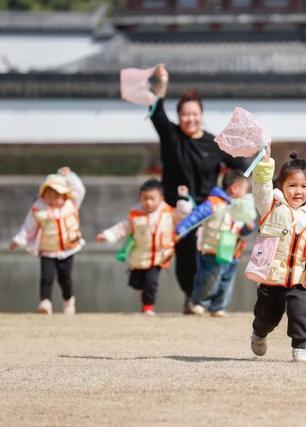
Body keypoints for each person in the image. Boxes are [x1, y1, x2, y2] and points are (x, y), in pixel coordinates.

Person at [150, 64, 246, 312]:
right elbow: (156, 115)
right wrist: (162, 84)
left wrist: (259, 160)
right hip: (179, 210)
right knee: (185, 257)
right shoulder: (172, 138)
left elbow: (241, 166)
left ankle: (202, 299)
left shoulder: (214, 144)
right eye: (184, 114)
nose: (190, 119)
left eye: (194, 114)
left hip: (208, 210)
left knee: (208, 255)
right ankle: (191, 297)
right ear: (179, 116)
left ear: (201, 114)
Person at [248, 150, 306, 362]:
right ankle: (259, 333)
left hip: (302, 276)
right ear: (280, 186)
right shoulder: (270, 206)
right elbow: (261, 188)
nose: (298, 191)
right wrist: (263, 164)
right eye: (292, 185)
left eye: (304, 186)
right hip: (272, 275)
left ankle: (299, 346)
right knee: (267, 316)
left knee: (300, 312)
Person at [96, 179, 192, 316]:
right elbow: (122, 228)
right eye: (145, 199)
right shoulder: (136, 215)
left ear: (161, 198)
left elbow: (184, 214)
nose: (148, 202)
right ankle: (144, 294)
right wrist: (107, 235)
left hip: (159, 256)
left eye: (152, 199)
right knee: (137, 283)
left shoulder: (169, 213)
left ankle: (148, 307)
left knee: (151, 282)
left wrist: (183, 198)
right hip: (140, 256)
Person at [176, 170, 254, 317]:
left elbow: (241, 229)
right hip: (212, 248)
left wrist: (248, 227)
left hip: (231, 250)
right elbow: (195, 217)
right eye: (245, 189)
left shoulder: (238, 207)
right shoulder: (213, 203)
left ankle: (218, 306)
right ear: (234, 188)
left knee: (226, 280)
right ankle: (199, 303)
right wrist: (181, 229)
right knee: (209, 278)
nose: (246, 193)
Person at [9, 167, 85, 315]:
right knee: (46, 277)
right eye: (49, 194)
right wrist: (18, 240)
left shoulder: (72, 204)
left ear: (64, 195)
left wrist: (70, 176)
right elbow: (28, 227)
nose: (53, 198)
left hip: (67, 249)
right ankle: (45, 302)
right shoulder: (38, 209)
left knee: (65, 278)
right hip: (47, 250)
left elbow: (79, 189)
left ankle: (68, 300)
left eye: (57, 194)